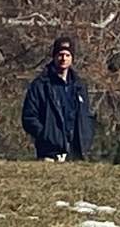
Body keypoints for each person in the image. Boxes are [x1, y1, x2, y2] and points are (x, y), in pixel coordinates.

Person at [22, 34, 95, 162]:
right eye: (60, 55)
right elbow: (29, 117)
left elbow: (86, 115)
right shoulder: (40, 85)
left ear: (72, 58)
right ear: (54, 56)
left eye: (67, 55)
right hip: (49, 154)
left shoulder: (79, 86)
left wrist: (86, 138)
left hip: (76, 155)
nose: (63, 59)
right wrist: (46, 136)